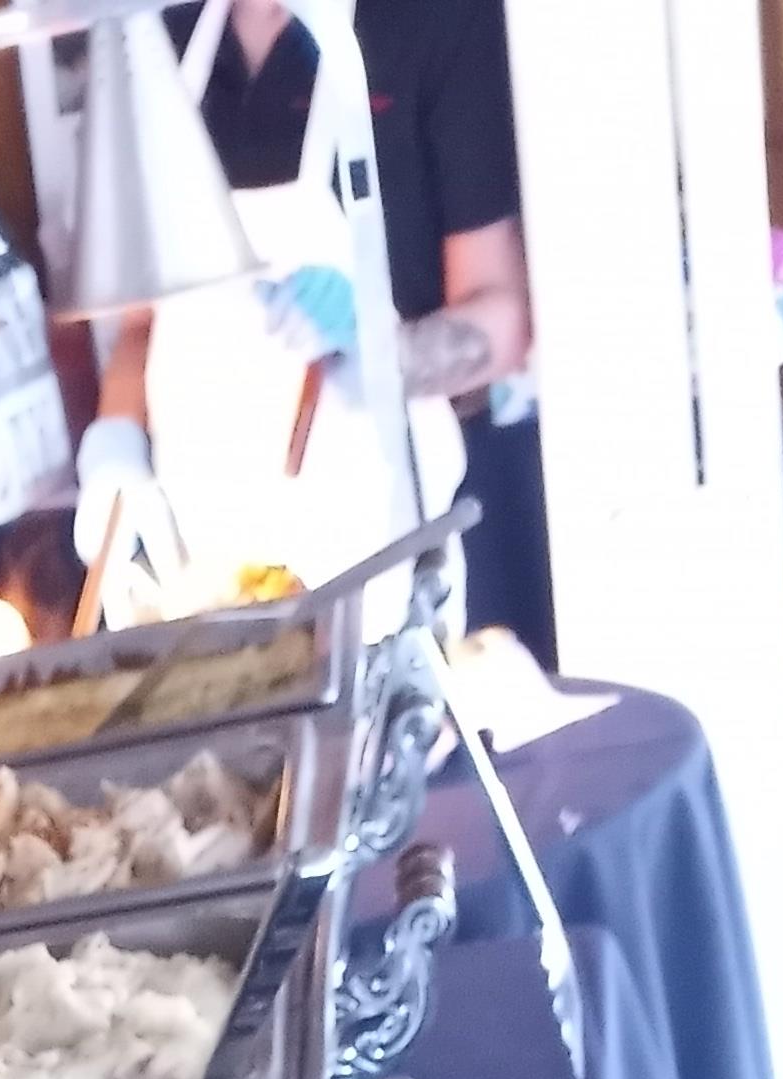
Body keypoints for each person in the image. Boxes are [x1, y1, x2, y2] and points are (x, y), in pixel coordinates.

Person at [78, 0, 557, 666]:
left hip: (377, 545)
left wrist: (381, 354)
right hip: (201, 559)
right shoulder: (160, 46)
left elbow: (503, 319)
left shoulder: (436, 23)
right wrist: (113, 448)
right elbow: (140, 325)